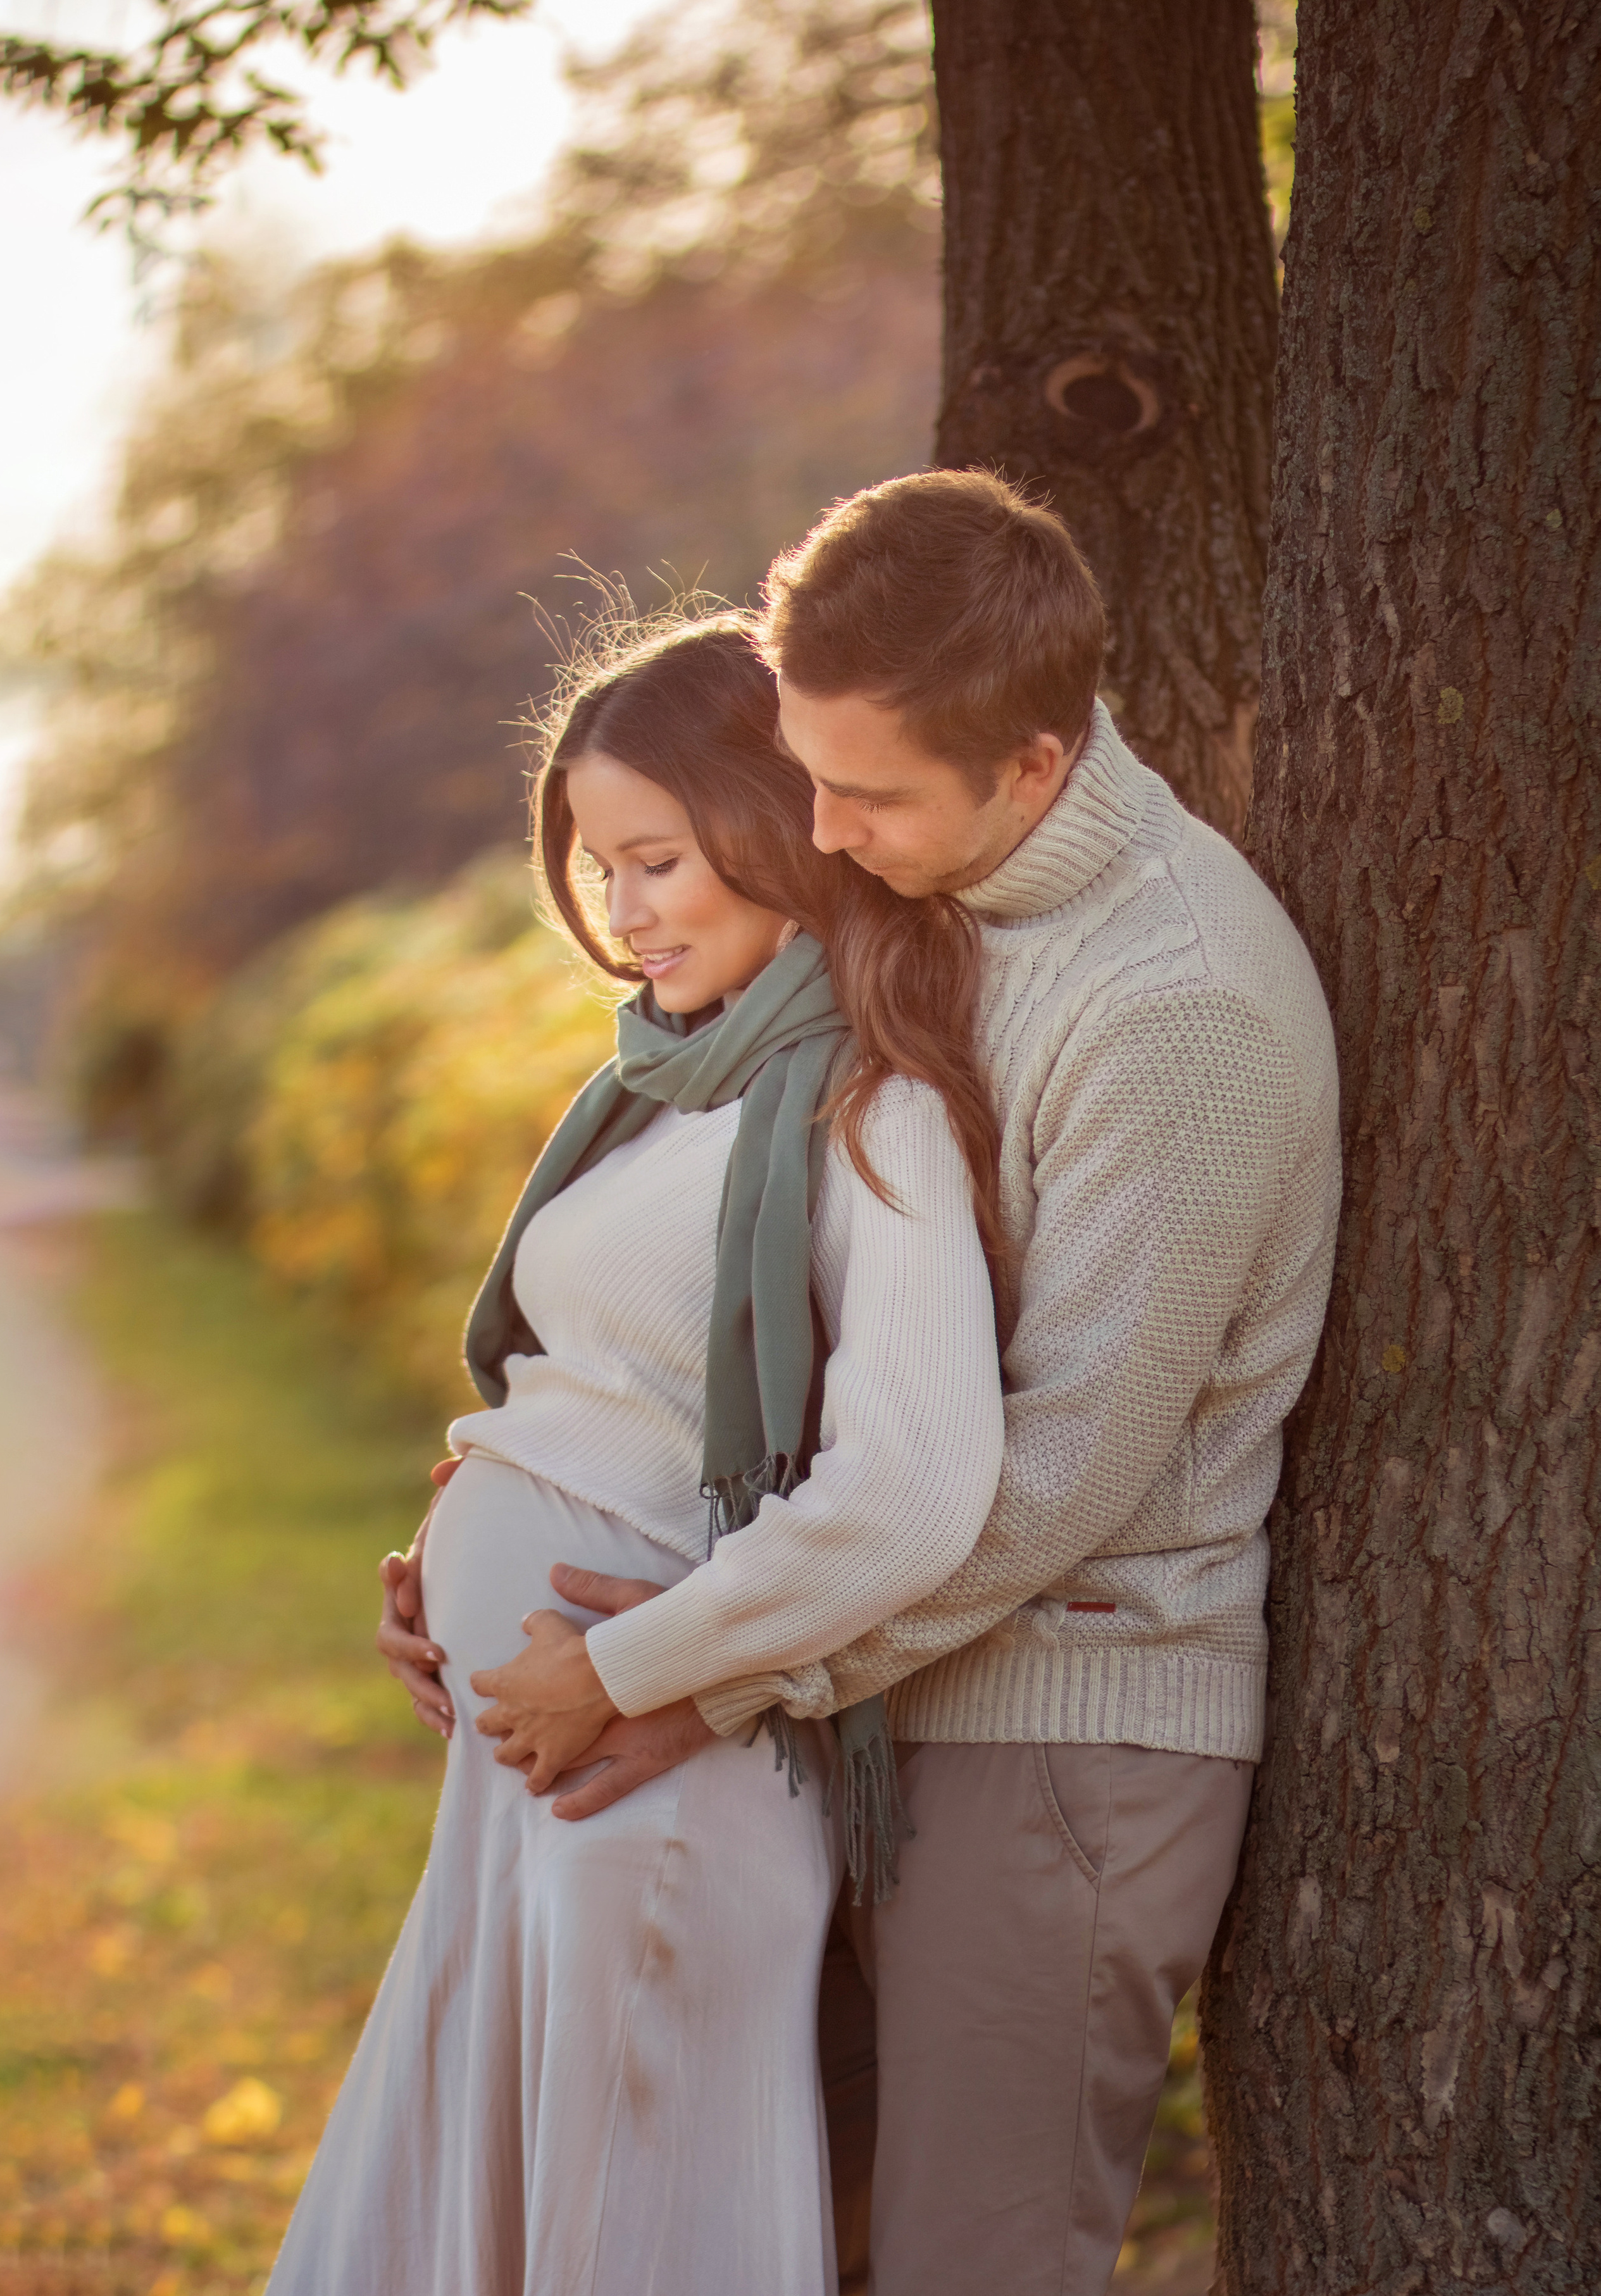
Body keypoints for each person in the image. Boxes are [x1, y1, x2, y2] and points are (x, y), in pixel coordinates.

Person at [383, 471, 1342, 2295]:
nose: (818, 828)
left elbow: (1060, 1471)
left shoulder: (1174, 1004)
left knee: (970, 2262)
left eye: (867, 794)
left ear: (1037, 767)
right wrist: (514, 1508)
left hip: (1058, 1730)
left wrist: (695, 1673)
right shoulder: (934, 897)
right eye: (807, 774)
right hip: (872, 1716)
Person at [270, 610, 1006, 2296]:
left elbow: (913, 1481)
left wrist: (609, 1654)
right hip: (539, 1770)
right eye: (600, 866)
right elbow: (603, 1390)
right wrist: (455, 1562)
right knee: (528, 2208)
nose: (623, 907)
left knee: (633, 2228)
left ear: (772, 824)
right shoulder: (665, 1089)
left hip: (653, 1779)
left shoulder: (865, 1110)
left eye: (657, 857)